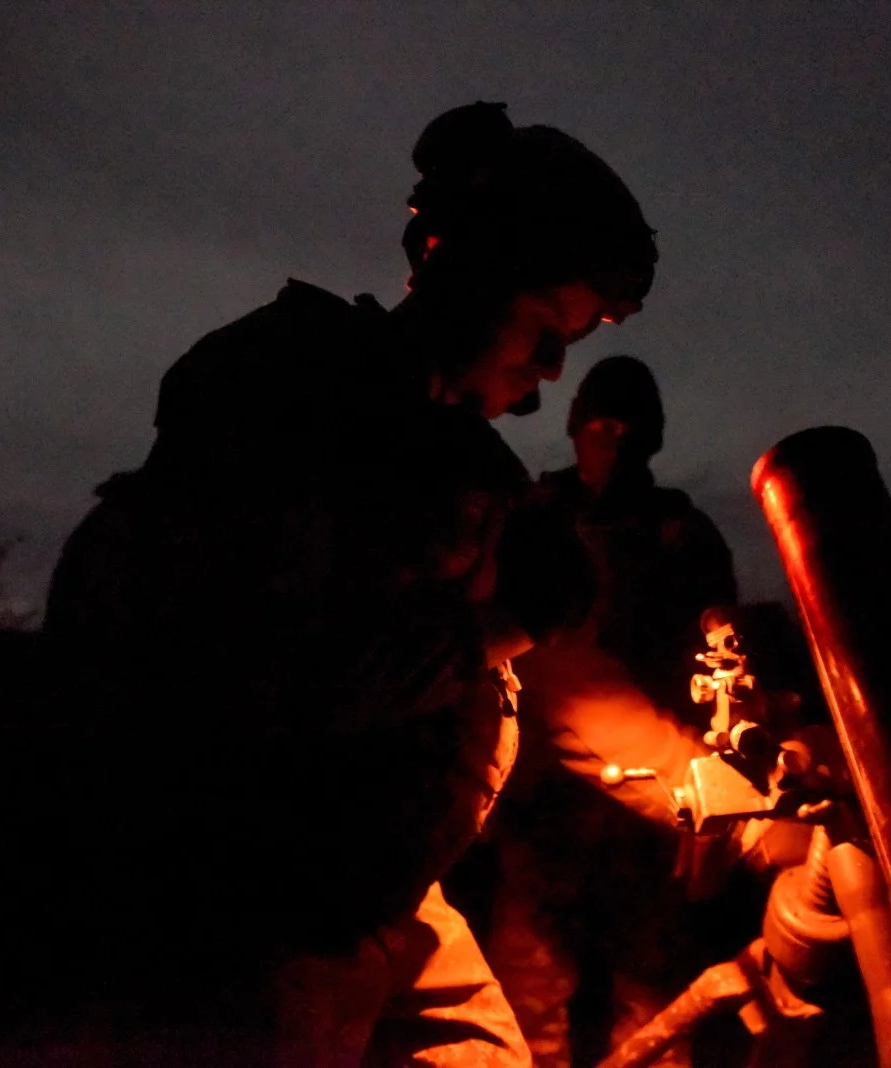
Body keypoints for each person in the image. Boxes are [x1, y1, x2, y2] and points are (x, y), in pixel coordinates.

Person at [44, 102, 657, 1066]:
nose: (543, 382)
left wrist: (706, 786)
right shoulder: (287, 392)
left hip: (390, 905)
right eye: (545, 333)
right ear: (471, 279)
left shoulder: (465, 471)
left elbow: (551, 686)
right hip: (244, 924)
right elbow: (260, 675)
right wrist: (496, 623)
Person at [484, 356, 739, 1068]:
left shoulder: (679, 534)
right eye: (598, 423)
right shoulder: (536, 517)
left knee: (652, 1001)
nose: (612, 438)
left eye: (628, 426)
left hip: (648, 808)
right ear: (574, 429)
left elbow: (720, 654)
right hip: (544, 800)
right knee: (528, 994)